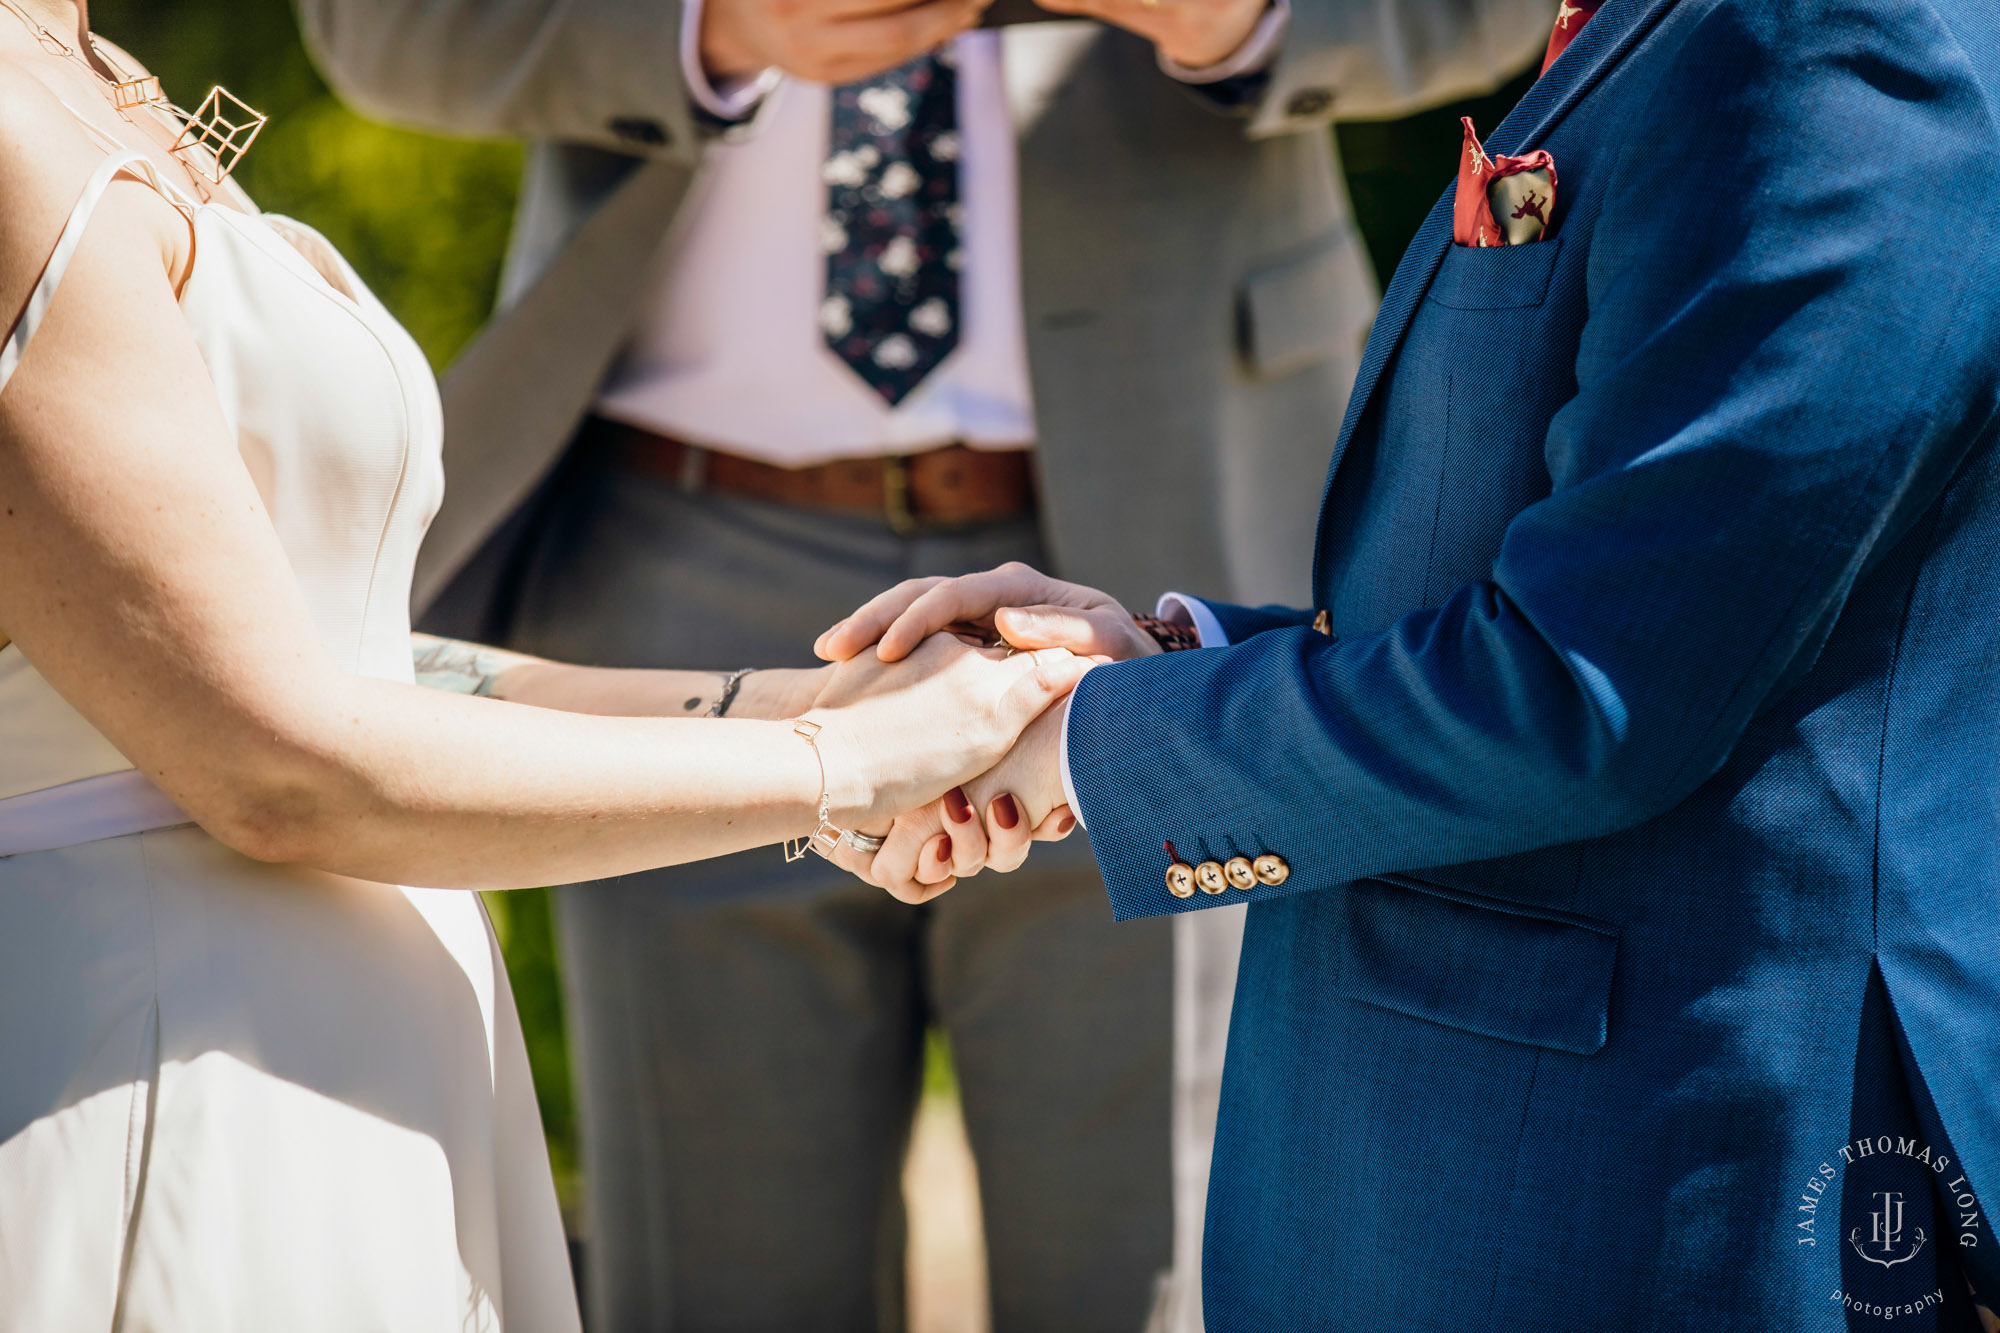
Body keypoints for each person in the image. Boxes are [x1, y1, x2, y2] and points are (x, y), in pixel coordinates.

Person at [295, 0, 1557, 1324]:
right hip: (675, 561)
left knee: (1140, 1273)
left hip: (1156, 563)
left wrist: (1243, 15)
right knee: (722, 1281)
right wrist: (710, 26)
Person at [822, 0, 2000, 1328]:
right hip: (1447, 1144)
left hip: (1657, 1174)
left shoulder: (1835, 47)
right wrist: (1162, 660)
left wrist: (1093, 742)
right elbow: (1544, 590)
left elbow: (1584, 685)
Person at [0, 3, 1078, 1327]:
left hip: (343, 1070)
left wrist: (805, 704)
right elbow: (268, 761)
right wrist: (840, 763)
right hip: (157, 1068)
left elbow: (355, 665)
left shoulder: (82, 70)